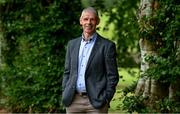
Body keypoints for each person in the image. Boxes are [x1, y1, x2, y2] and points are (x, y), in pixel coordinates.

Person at [62, 7, 119, 113]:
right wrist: (65, 91)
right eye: (86, 19)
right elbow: (67, 72)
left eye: (92, 19)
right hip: (73, 101)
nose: (88, 22)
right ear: (81, 21)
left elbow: (113, 76)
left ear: (97, 21)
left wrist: (106, 98)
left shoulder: (107, 46)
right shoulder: (72, 44)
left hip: (96, 102)